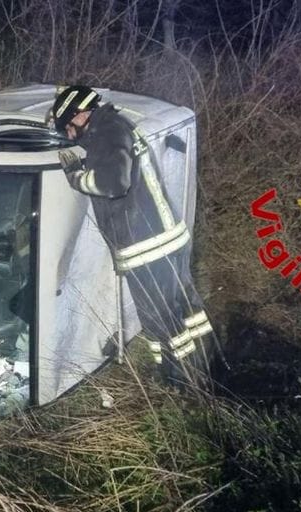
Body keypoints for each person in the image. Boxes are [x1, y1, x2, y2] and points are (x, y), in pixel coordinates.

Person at [51, 85, 220, 388]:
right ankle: (208, 367)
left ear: (78, 115)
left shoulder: (107, 133)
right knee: (186, 311)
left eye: (68, 126)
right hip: (166, 239)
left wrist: (77, 177)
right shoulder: (117, 125)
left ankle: (179, 382)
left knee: (159, 318)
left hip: (147, 247)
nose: (69, 134)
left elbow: (114, 183)